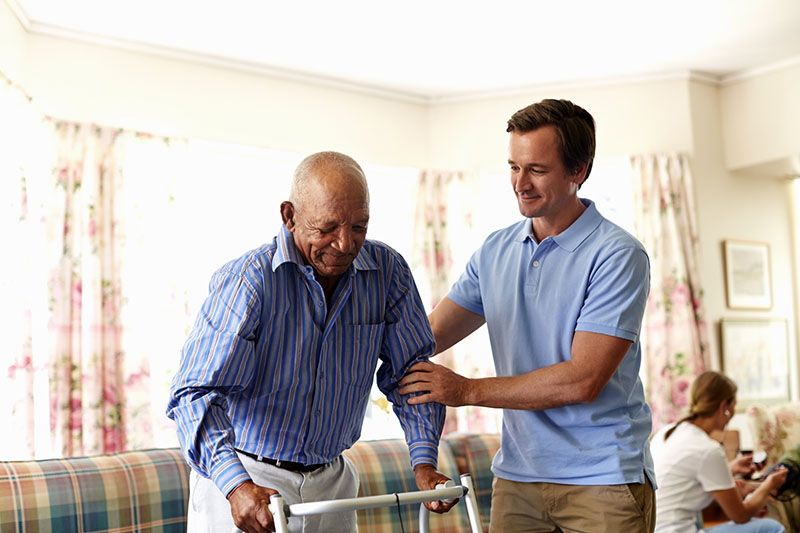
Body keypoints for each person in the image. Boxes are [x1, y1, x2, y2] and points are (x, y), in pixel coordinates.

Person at [398, 98, 656, 532]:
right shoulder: (495, 250)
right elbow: (426, 335)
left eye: (537, 169)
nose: (521, 183)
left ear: (579, 171)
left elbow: (583, 379)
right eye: (514, 167)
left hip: (603, 478)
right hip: (518, 476)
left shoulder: (617, 255)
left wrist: (465, 390)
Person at [167, 151, 455, 533]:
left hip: (332, 479)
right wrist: (235, 486)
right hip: (247, 474)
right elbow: (194, 393)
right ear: (289, 216)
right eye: (327, 228)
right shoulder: (250, 282)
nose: (344, 244)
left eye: (359, 226)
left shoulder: (388, 273)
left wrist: (424, 464)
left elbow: (411, 374)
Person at [650, 371, 788, 533]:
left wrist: (729, 468)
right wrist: (768, 485)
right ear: (724, 407)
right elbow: (740, 516)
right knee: (772, 528)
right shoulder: (707, 450)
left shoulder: (666, 433)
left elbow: (685, 478)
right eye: (733, 406)